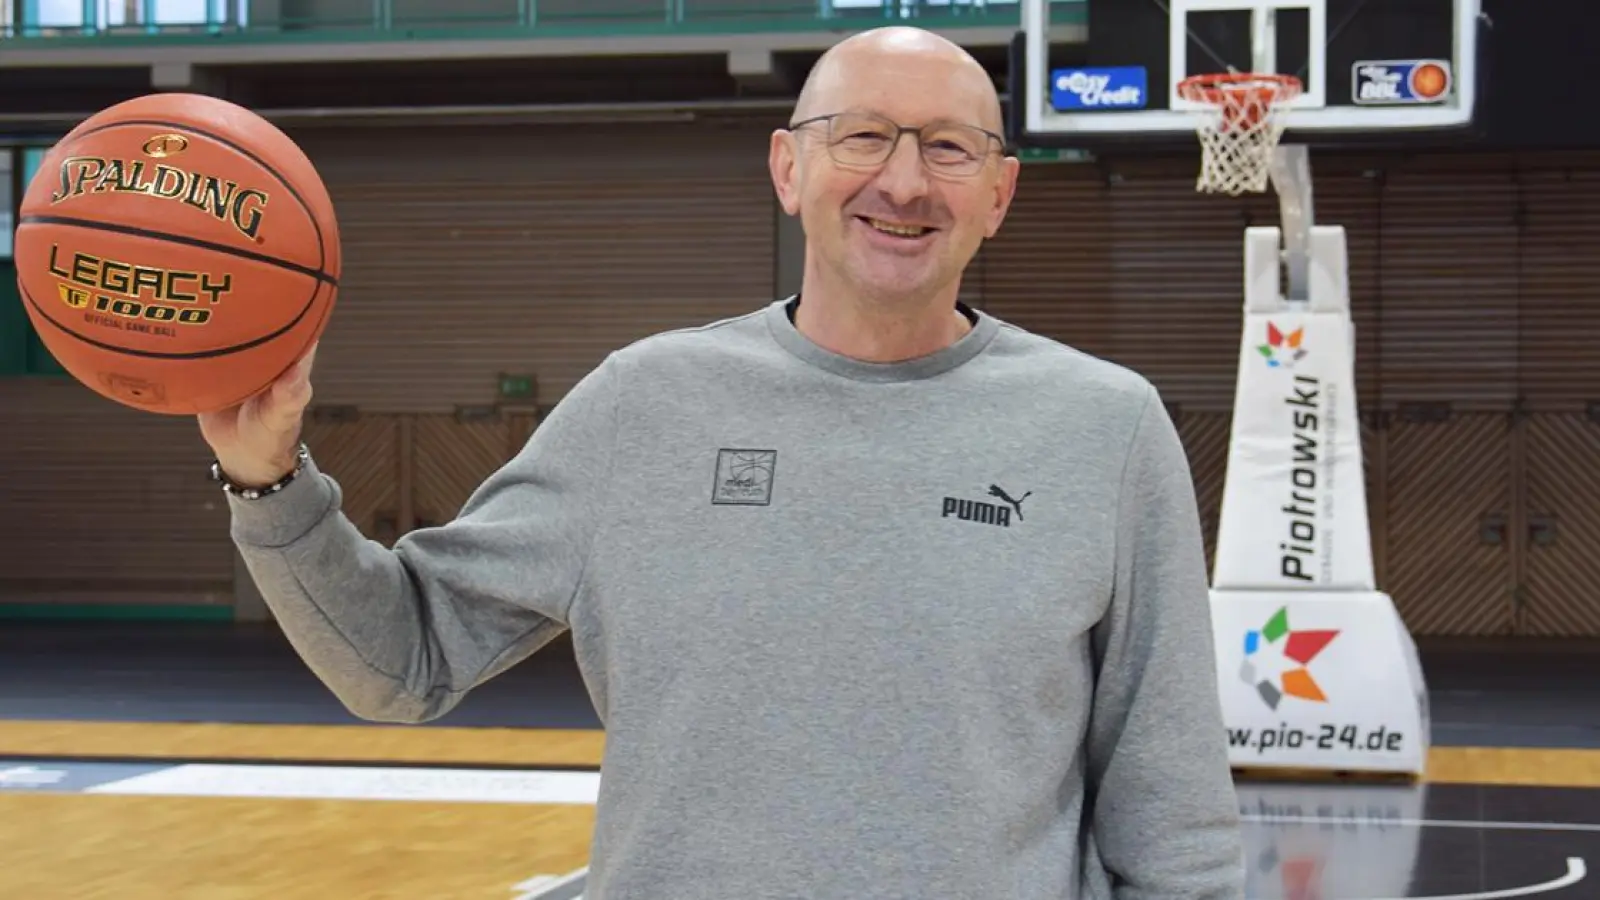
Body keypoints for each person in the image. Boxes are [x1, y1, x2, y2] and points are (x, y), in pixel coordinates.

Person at [200, 25, 1245, 900]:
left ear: (1000, 193)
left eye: (948, 149)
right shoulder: (643, 402)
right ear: (789, 169)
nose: (903, 181)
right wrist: (270, 482)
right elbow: (404, 660)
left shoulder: (1103, 427)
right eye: (864, 137)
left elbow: (1172, 809)